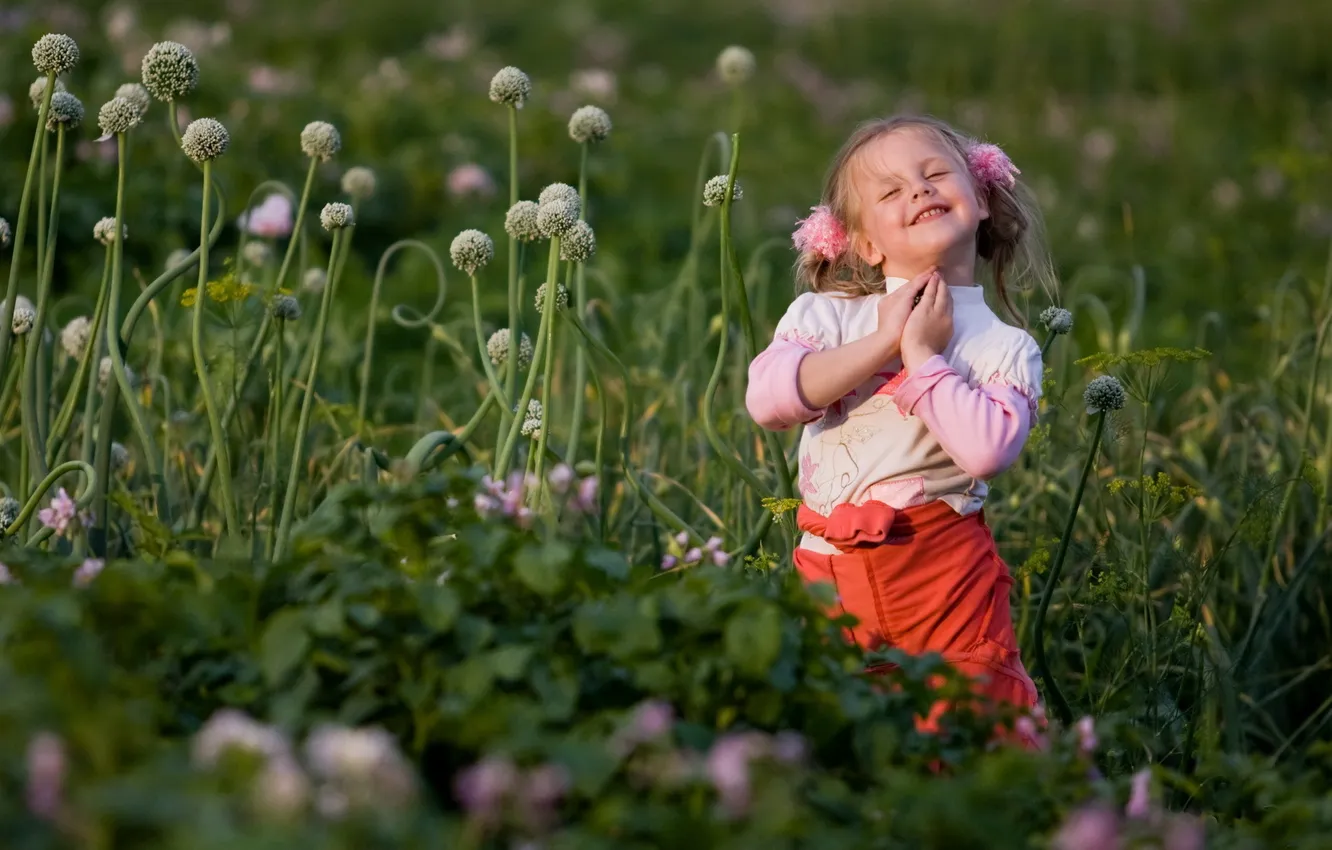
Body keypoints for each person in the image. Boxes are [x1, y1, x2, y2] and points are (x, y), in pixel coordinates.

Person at [746, 114, 1054, 737]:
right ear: (866, 245)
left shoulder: (1003, 346)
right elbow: (770, 401)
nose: (918, 189)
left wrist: (922, 358)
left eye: (935, 173)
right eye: (890, 191)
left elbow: (987, 451)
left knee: (966, 725)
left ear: (982, 200)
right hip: (832, 575)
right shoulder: (828, 317)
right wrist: (884, 340)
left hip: (945, 581)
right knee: (839, 727)